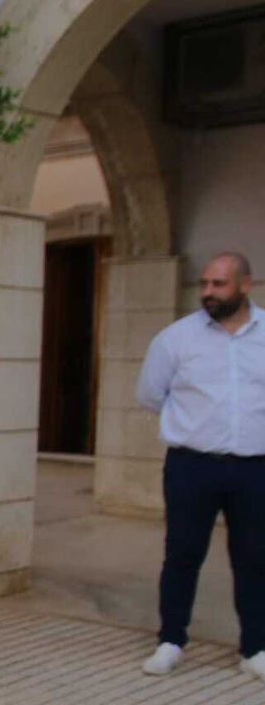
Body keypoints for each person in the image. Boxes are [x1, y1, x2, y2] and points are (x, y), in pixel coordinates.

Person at [135, 251, 265, 680]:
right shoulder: (175, 339)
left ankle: (256, 648)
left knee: (254, 557)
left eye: (219, 284)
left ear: (245, 285)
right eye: (204, 284)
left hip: (255, 467)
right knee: (183, 553)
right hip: (192, 465)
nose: (208, 292)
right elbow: (152, 394)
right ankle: (171, 641)